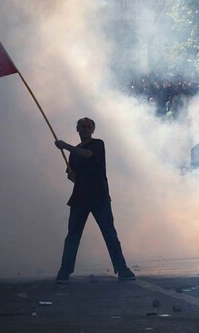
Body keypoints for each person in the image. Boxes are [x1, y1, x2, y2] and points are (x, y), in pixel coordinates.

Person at [54, 117, 135, 283]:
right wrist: (72, 175)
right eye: (82, 127)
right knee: (73, 236)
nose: (85, 129)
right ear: (78, 129)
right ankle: (64, 271)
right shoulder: (74, 153)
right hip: (80, 198)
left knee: (109, 234)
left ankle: (122, 269)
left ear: (92, 130)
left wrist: (65, 146)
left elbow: (87, 155)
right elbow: (73, 177)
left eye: (88, 127)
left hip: (99, 197)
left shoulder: (98, 144)